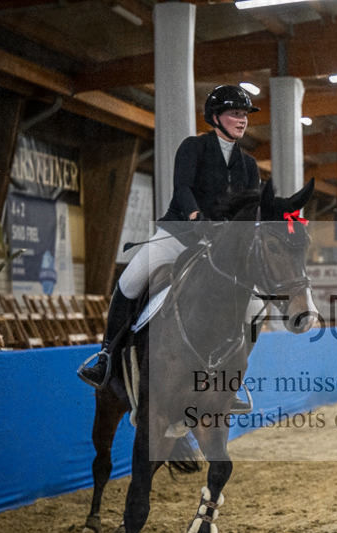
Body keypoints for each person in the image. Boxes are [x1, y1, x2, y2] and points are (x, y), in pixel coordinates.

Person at [79, 85, 261, 388]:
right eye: (235, 113)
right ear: (215, 117)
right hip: (179, 235)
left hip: (219, 249)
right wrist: (196, 217)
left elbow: (251, 207)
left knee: (254, 306)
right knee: (130, 280)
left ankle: (233, 374)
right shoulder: (193, 147)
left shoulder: (250, 165)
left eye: (244, 114)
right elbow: (182, 188)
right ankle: (106, 357)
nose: (242, 120)